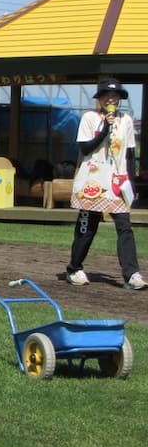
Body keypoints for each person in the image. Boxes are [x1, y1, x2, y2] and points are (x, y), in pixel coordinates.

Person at [65, 77, 145, 289]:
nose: (112, 99)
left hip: (117, 182)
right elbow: (84, 148)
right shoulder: (89, 118)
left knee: (124, 227)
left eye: (116, 96)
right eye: (107, 96)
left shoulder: (126, 120)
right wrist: (104, 131)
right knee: (87, 227)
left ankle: (132, 274)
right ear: (100, 99)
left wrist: (131, 182)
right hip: (91, 181)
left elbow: (128, 153)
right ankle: (74, 268)